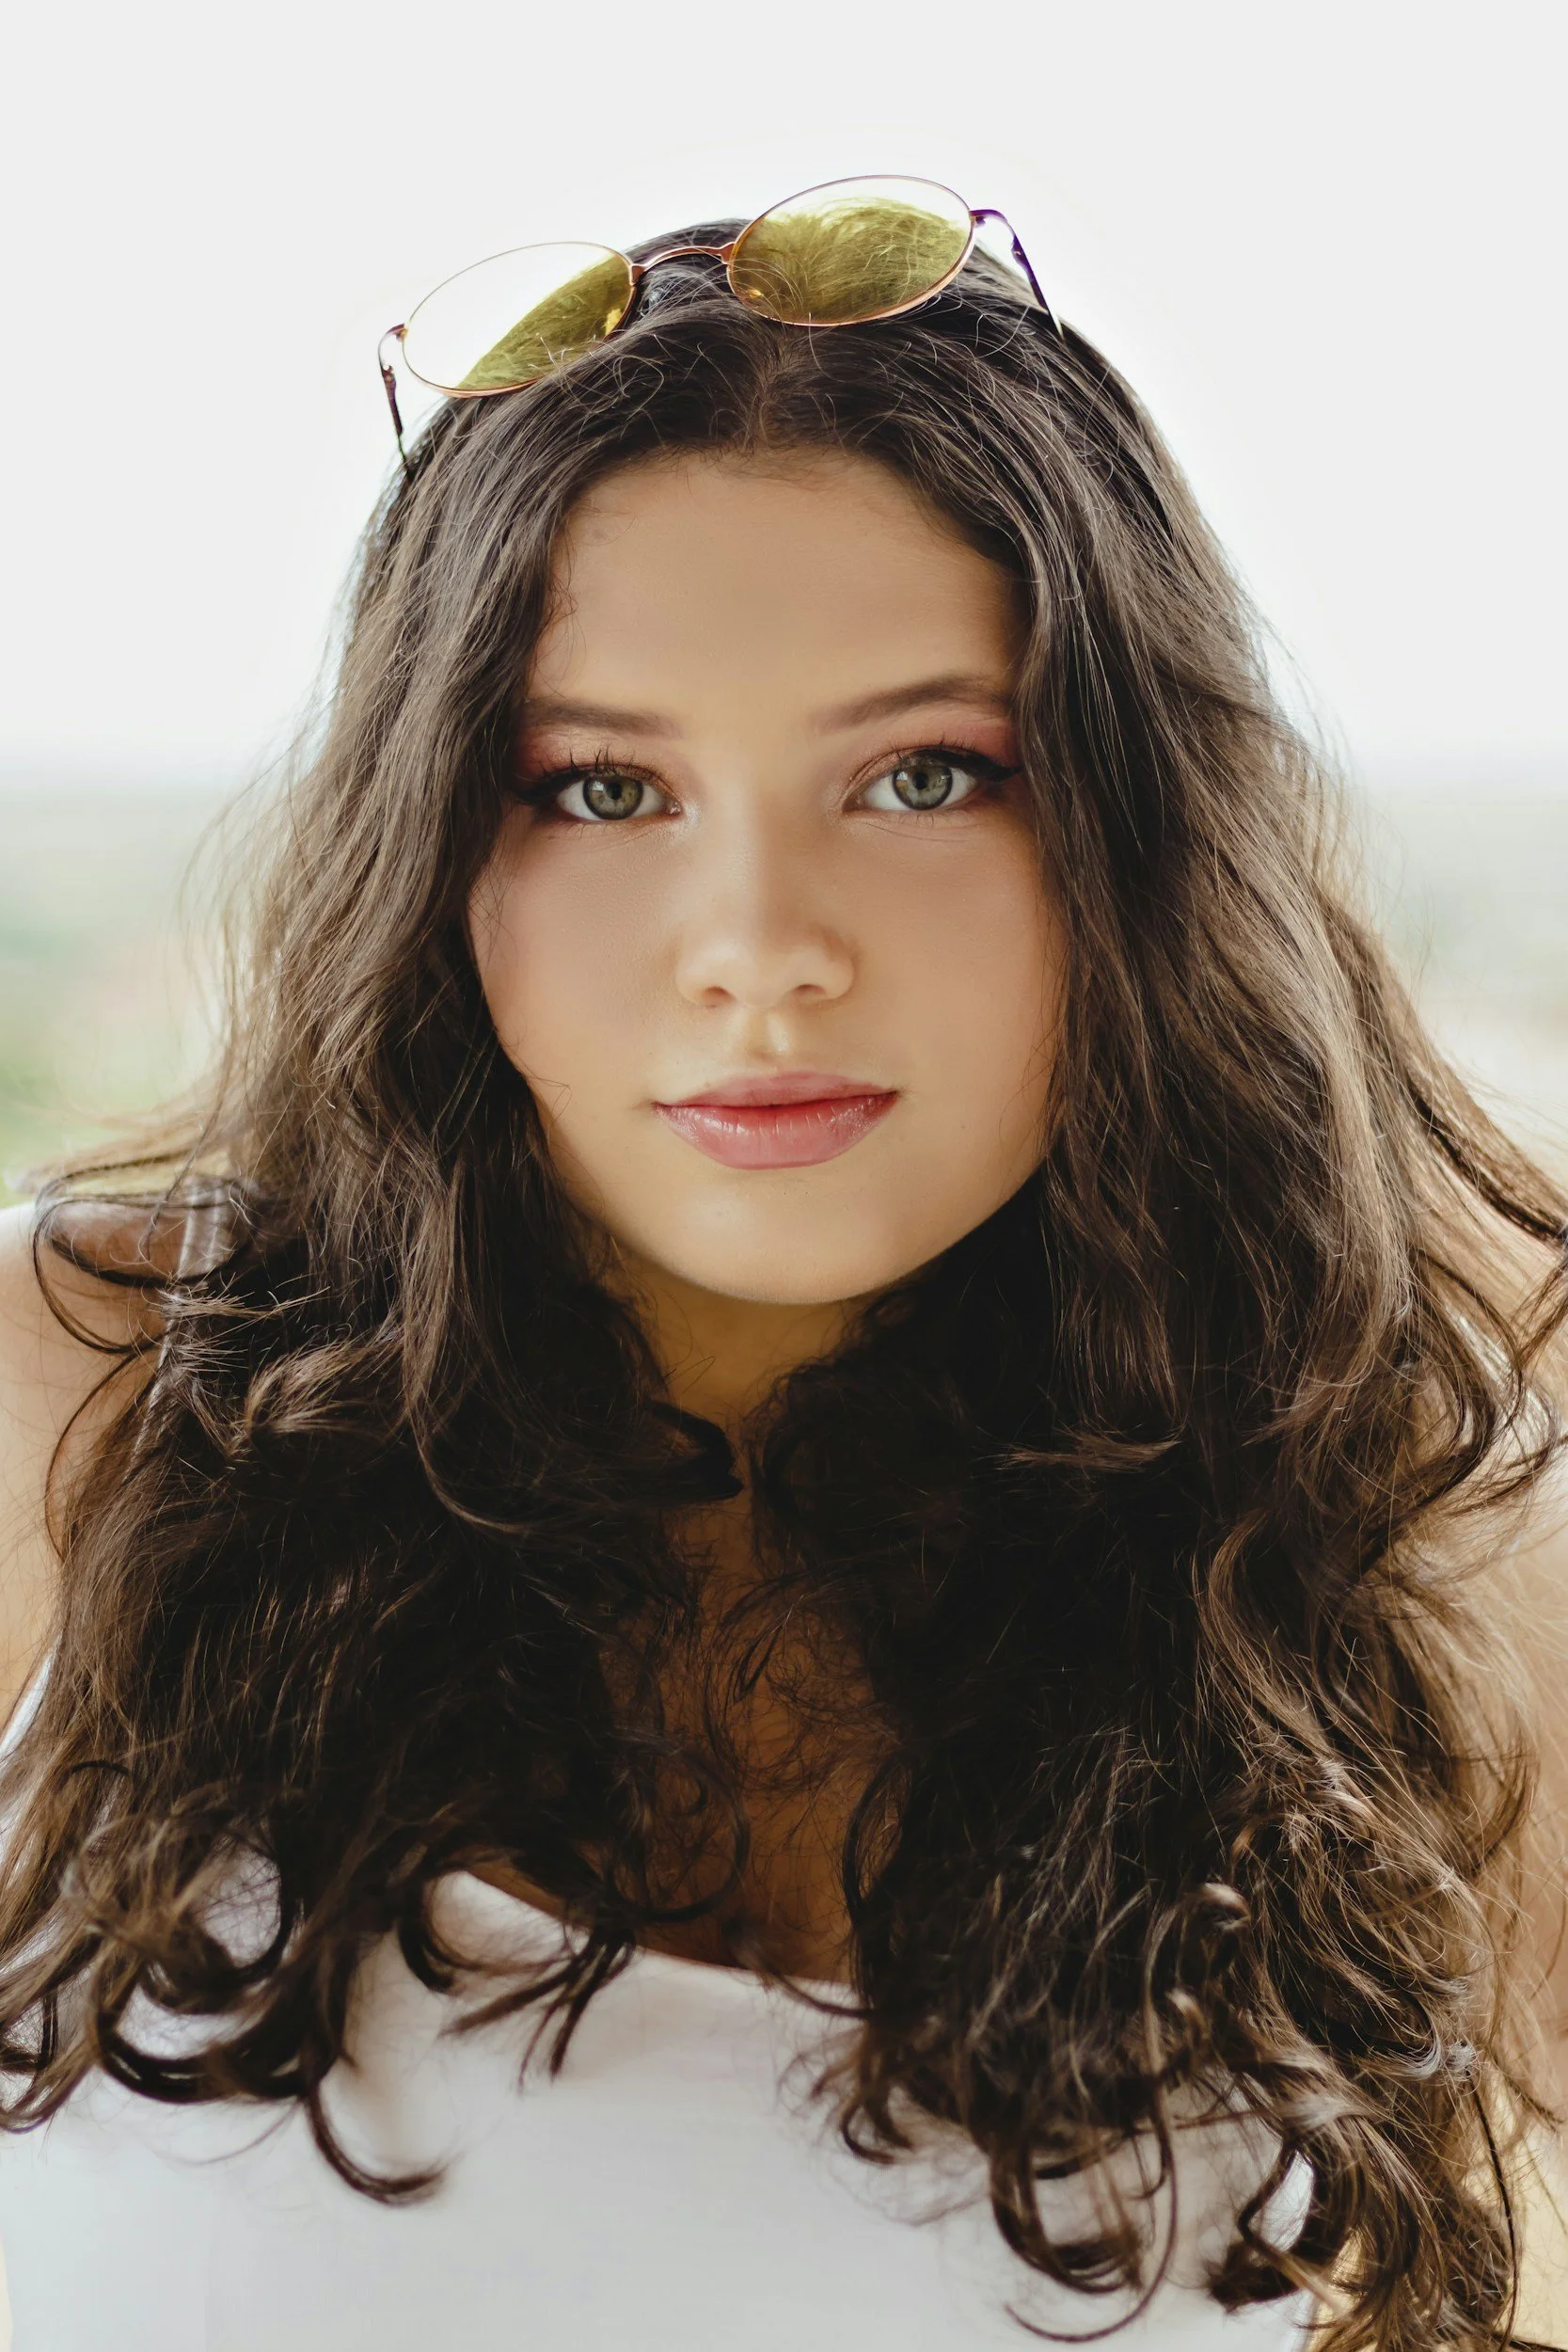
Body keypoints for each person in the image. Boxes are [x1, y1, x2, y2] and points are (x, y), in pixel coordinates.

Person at [1, 179, 1565, 2349]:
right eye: (599, 791)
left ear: (1138, 826)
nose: (758, 950)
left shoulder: (1418, 1536)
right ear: (432, 844)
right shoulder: (65, 1404)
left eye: (925, 773)